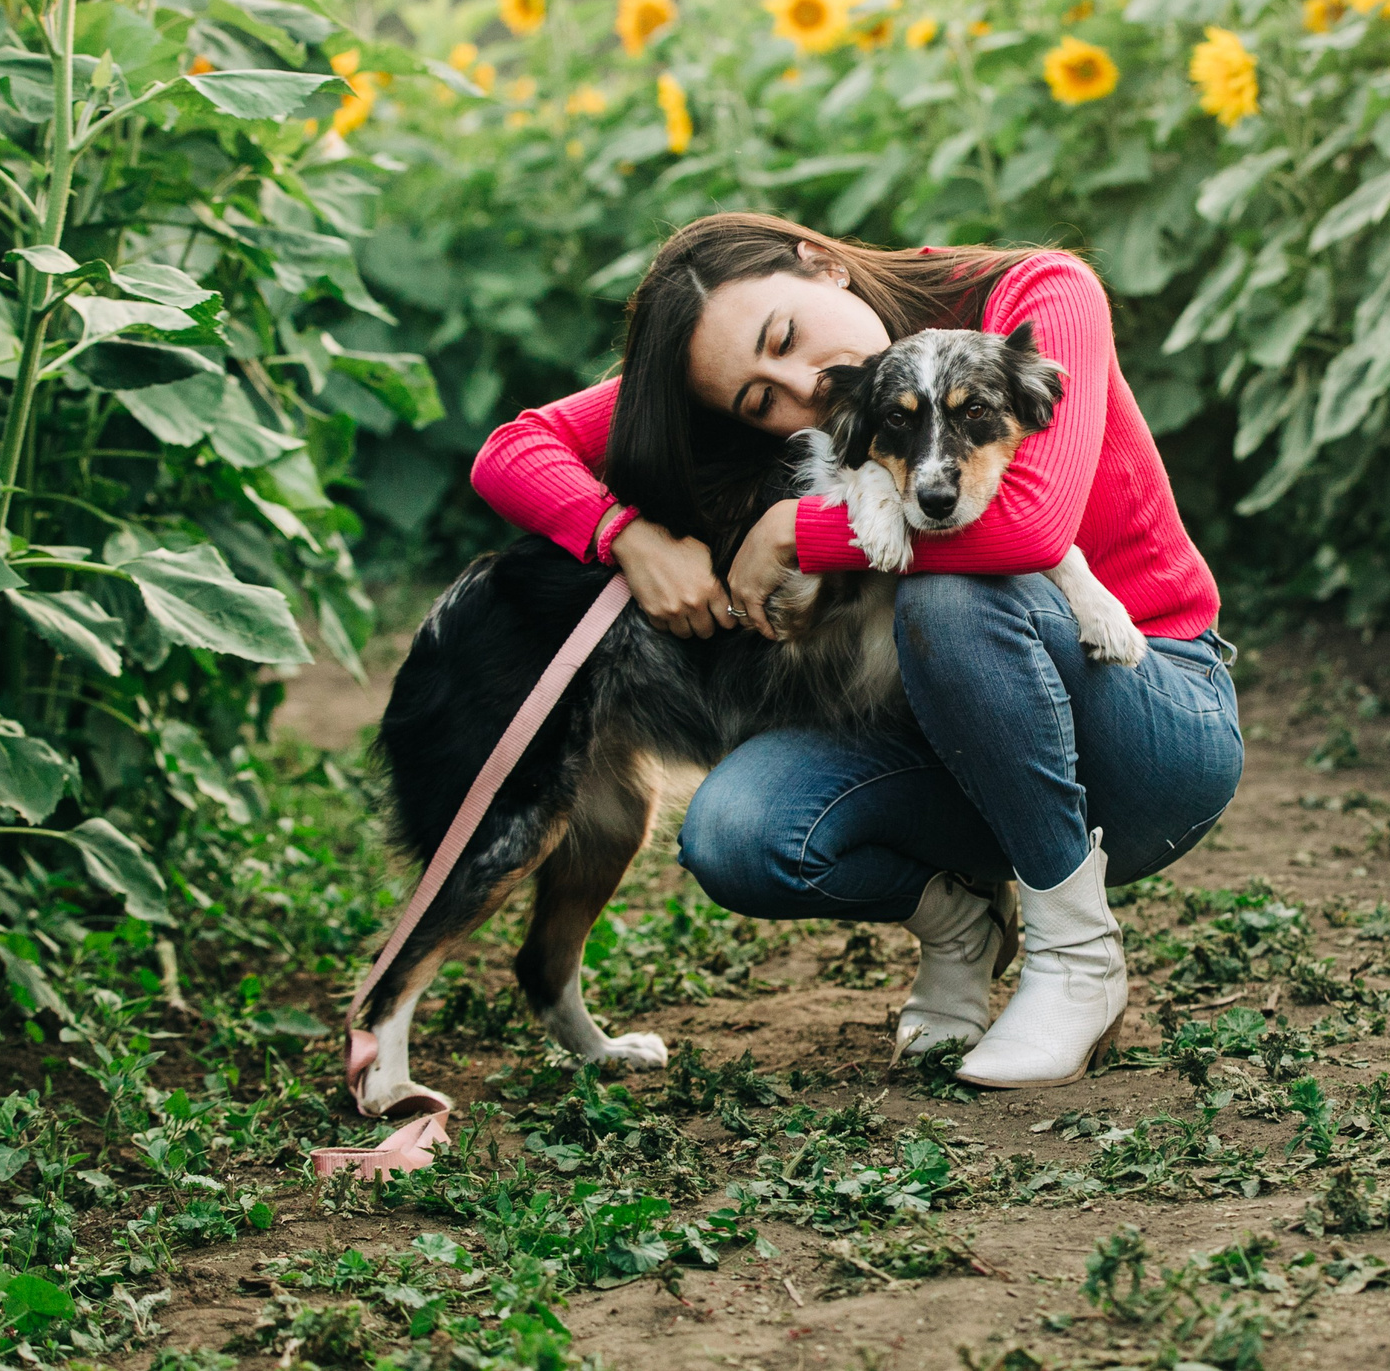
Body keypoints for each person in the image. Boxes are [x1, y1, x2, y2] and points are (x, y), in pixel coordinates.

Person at [469, 211, 1240, 1088]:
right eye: (760, 400)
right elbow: (510, 452)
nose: (804, 384)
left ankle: (1075, 963)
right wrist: (628, 537)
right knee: (737, 831)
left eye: (786, 336)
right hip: (952, 747)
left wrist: (802, 526)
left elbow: (1028, 524)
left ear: (822, 263)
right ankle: (963, 929)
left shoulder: (1035, 294)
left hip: (1148, 724)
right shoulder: (758, 374)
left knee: (949, 593)